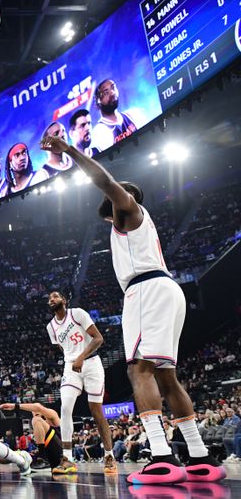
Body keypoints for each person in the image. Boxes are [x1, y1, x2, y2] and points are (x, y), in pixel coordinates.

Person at [40, 134, 226, 485]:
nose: (108, 201)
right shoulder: (130, 226)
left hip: (146, 291)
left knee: (138, 372)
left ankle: (160, 455)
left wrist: (68, 151)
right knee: (166, 376)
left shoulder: (129, 209)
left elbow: (105, 181)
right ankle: (200, 456)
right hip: (164, 289)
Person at [45, 290, 117, 475]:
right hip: (71, 367)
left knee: (96, 412)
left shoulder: (77, 313)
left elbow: (99, 338)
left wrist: (81, 357)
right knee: (65, 407)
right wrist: (73, 359)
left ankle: (109, 456)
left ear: (64, 300)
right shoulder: (51, 327)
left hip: (92, 363)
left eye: (55, 296)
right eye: (49, 298)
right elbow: (63, 348)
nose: (52, 299)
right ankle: (68, 459)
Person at [0, 402, 65, 472]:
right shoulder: (37, 428)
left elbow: (38, 408)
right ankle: (39, 457)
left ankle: (42, 458)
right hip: (50, 456)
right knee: (15, 456)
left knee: (36, 419)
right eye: (33, 410)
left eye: (35, 408)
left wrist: (15, 406)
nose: (35, 411)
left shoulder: (51, 414)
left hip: (59, 452)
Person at [91, 79, 138, 152]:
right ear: (98, 101)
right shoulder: (99, 131)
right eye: (106, 92)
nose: (112, 93)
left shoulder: (132, 115)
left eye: (113, 88)